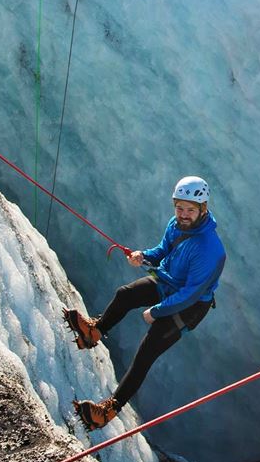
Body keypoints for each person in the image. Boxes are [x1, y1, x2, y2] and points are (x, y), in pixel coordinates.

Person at [64, 176, 226, 431]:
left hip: (189, 306)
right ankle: (94, 332)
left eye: (190, 210)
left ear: (203, 209)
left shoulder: (210, 249)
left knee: (146, 352)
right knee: (125, 294)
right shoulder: (176, 225)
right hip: (168, 282)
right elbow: (162, 250)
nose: (183, 214)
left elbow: (190, 294)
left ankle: (109, 410)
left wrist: (157, 311)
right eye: (179, 208)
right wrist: (144, 255)